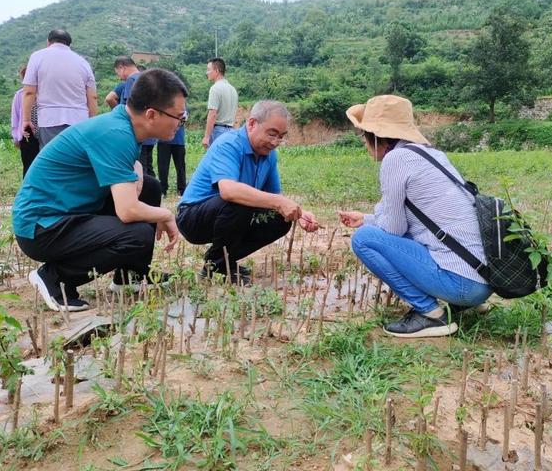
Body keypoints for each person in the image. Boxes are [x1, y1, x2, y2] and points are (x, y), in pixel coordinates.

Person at [13, 69, 188, 312]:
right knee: (136, 234)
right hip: (42, 227)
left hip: (66, 213)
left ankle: (130, 275)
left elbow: (130, 167)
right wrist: (166, 215)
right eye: (179, 117)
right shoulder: (116, 133)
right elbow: (127, 211)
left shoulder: (122, 124)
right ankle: (55, 278)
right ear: (151, 114)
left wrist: (136, 174)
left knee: (149, 187)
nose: (181, 123)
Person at [339, 95, 492, 338]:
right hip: (483, 280)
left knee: (364, 239)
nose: (364, 142)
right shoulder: (430, 154)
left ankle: (430, 314)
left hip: (463, 285)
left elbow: (394, 229)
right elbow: (415, 218)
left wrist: (368, 225)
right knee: (375, 229)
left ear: (375, 136)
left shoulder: (395, 159)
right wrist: (367, 218)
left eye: (363, 136)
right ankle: (466, 303)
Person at [178, 100, 319, 282]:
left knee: (280, 219)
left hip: (229, 213)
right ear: (252, 124)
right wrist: (279, 203)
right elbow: (229, 191)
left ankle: (220, 261)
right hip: (193, 218)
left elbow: (275, 197)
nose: (276, 142)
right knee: (239, 202)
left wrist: (299, 213)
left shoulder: (269, 156)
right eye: (271, 134)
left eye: (281, 136)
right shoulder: (228, 144)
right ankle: (217, 267)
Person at [22, 29, 97, 148]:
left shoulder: (37, 57)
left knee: (52, 161)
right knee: (76, 160)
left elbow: (29, 92)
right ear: (69, 44)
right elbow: (92, 96)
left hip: (50, 120)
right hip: (79, 121)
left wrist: (26, 120)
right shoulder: (83, 62)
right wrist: (92, 123)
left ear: (48, 42)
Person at [115, 56, 157, 176]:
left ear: (122, 67)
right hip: (151, 132)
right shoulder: (148, 77)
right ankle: (153, 192)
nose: (119, 76)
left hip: (138, 131)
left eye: (117, 72)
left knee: (139, 166)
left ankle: (142, 193)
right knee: (148, 165)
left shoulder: (131, 79)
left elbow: (130, 107)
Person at [201, 57, 238, 149]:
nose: (207, 72)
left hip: (218, 131)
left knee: (215, 160)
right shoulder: (232, 89)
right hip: (231, 130)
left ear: (216, 71)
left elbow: (212, 114)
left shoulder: (215, 88)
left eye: (209, 69)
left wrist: (207, 137)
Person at [11, 65, 40, 177]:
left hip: (45, 133)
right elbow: (15, 117)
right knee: (29, 166)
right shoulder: (20, 95)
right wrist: (16, 137)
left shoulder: (46, 94)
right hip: (28, 135)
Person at [157, 108, 188, 197]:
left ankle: (181, 190)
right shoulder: (162, 103)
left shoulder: (182, 104)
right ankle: (163, 190)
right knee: (162, 167)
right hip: (163, 139)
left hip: (178, 141)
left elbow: (184, 118)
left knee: (181, 167)